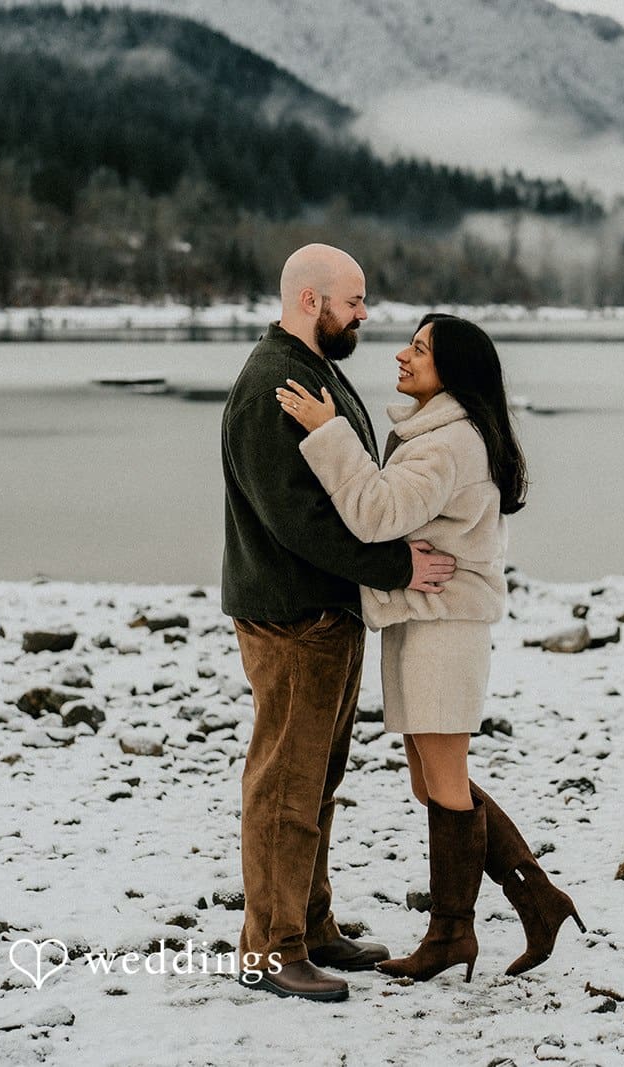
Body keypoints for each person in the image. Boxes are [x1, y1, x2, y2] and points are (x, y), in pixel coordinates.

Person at [276, 312, 584, 984]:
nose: (403, 356)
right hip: (428, 622)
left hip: (445, 629)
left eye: (421, 349)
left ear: (454, 370)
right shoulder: (442, 433)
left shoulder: (450, 443)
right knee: (431, 780)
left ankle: (453, 933)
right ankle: (539, 900)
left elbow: (377, 513)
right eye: (411, 344)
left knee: (442, 782)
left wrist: (327, 434)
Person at [221, 244, 458, 1003]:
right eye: (353, 301)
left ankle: (311, 925)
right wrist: (396, 568)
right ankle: (271, 948)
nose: (365, 313)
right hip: (292, 615)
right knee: (284, 784)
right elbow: (301, 519)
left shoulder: (311, 369)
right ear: (309, 300)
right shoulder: (273, 385)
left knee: (316, 781)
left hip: (323, 612)